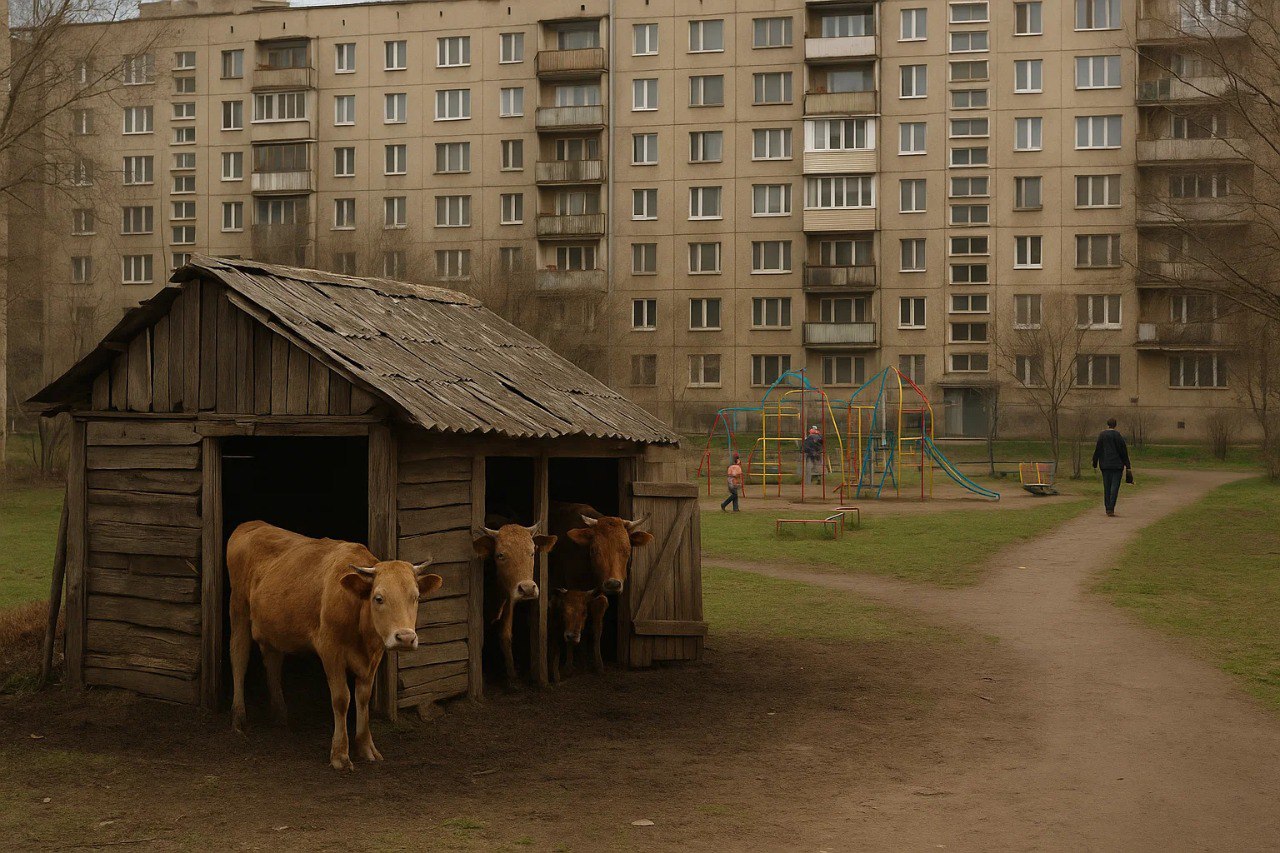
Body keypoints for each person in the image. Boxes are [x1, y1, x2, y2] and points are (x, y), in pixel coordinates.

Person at [1092, 417, 1133, 517]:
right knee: (1115, 487)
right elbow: (1123, 451)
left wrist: (1095, 462)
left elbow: (1098, 449)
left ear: (1107, 424)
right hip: (1117, 466)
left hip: (1105, 465)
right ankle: (1111, 508)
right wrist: (1127, 465)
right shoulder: (1118, 436)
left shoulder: (1102, 435)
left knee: (1107, 487)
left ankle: (1107, 508)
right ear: (1115, 425)